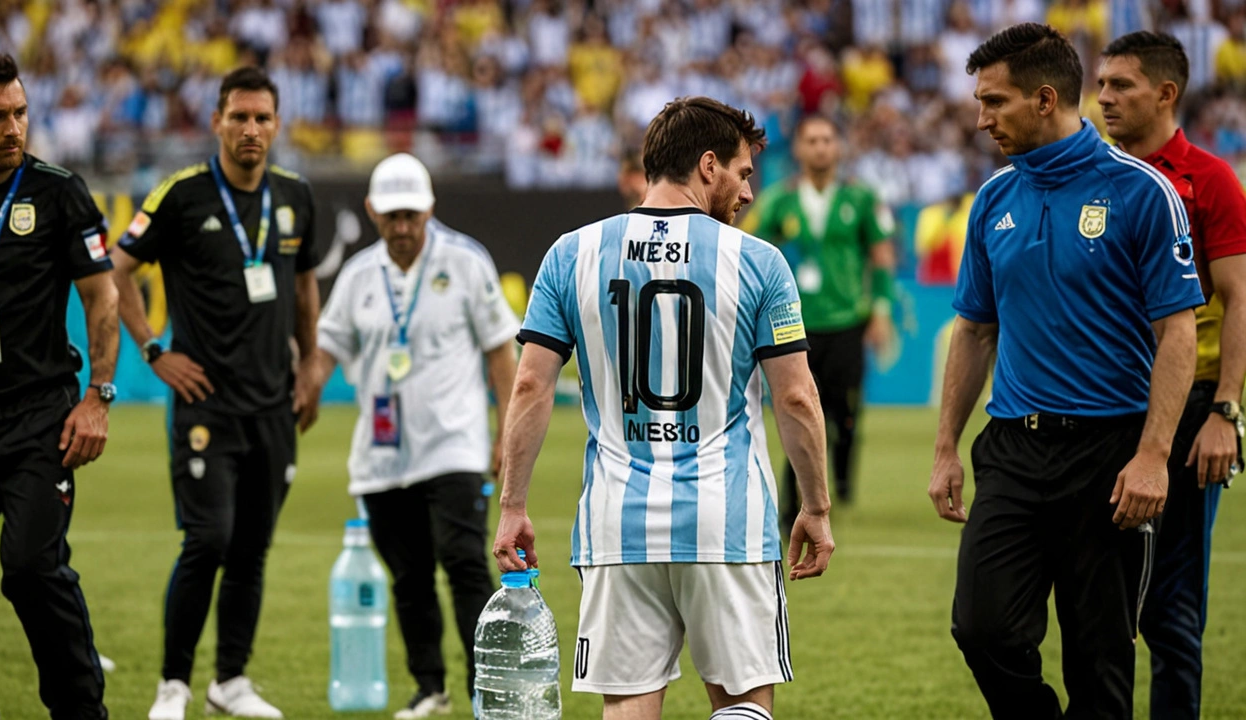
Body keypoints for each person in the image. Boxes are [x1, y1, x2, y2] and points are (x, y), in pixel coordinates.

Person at [493, 96, 836, 720]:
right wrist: (814, 505)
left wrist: (513, 503)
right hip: (725, 522)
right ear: (708, 166)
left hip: (616, 524)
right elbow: (794, 394)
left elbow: (530, 388)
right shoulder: (757, 261)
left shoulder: (571, 254)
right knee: (742, 704)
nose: (749, 192)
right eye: (743, 171)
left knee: (627, 708)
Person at [927, 23, 1203, 718]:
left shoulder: (1142, 192)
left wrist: (1152, 457)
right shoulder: (993, 198)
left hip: (1109, 454)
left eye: (994, 102)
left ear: (1045, 98)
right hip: (1014, 450)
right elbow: (974, 328)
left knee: (1100, 658)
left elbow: (1177, 333)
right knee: (980, 627)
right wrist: (943, 449)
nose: (981, 117)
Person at [109, 66, 322, 720]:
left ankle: (230, 680)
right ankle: (172, 683)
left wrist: (312, 363)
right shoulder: (181, 195)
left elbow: (306, 286)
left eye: (262, 118)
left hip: (273, 403)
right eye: (240, 117)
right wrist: (154, 350)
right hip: (206, 403)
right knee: (208, 539)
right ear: (217, 122)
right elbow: (115, 272)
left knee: (252, 549)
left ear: (276, 124)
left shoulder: (295, 196)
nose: (251, 129)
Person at [311, 153, 519, 718]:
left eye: (412, 215)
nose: (402, 228)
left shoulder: (466, 262)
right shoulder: (358, 277)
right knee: (407, 576)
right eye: (391, 217)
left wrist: (506, 434)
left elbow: (502, 348)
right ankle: (430, 687)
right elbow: (326, 348)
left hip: (454, 443)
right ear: (372, 211)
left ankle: (487, 688)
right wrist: (303, 392)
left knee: (463, 561)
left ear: (430, 208)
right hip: (381, 456)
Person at [0, 48, 119, 720]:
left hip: (38, 420)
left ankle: (81, 711)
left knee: (30, 569)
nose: (14, 128)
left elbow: (103, 300)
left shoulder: (57, 191)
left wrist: (99, 397)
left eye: (21, 113)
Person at [1098, 31, 1246, 719]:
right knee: (1097, 600)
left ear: (1165, 93)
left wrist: (1226, 412)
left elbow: (1239, 297)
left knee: (1172, 608)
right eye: (1099, 84)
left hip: (1188, 412)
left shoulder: (1208, 179)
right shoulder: (1092, 175)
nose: (1103, 97)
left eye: (1121, 85)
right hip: (1100, 407)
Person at [739, 115, 895, 510]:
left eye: (828, 139)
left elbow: (881, 257)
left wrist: (880, 310)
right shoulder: (779, 199)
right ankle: (794, 502)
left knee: (845, 415)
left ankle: (841, 480)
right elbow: (749, 247)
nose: (821, 147)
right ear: (799, 149)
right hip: (797, 324)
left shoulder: (861, 199)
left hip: (847, 322)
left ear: (838, 147)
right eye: (813, 140)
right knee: (800, 407)